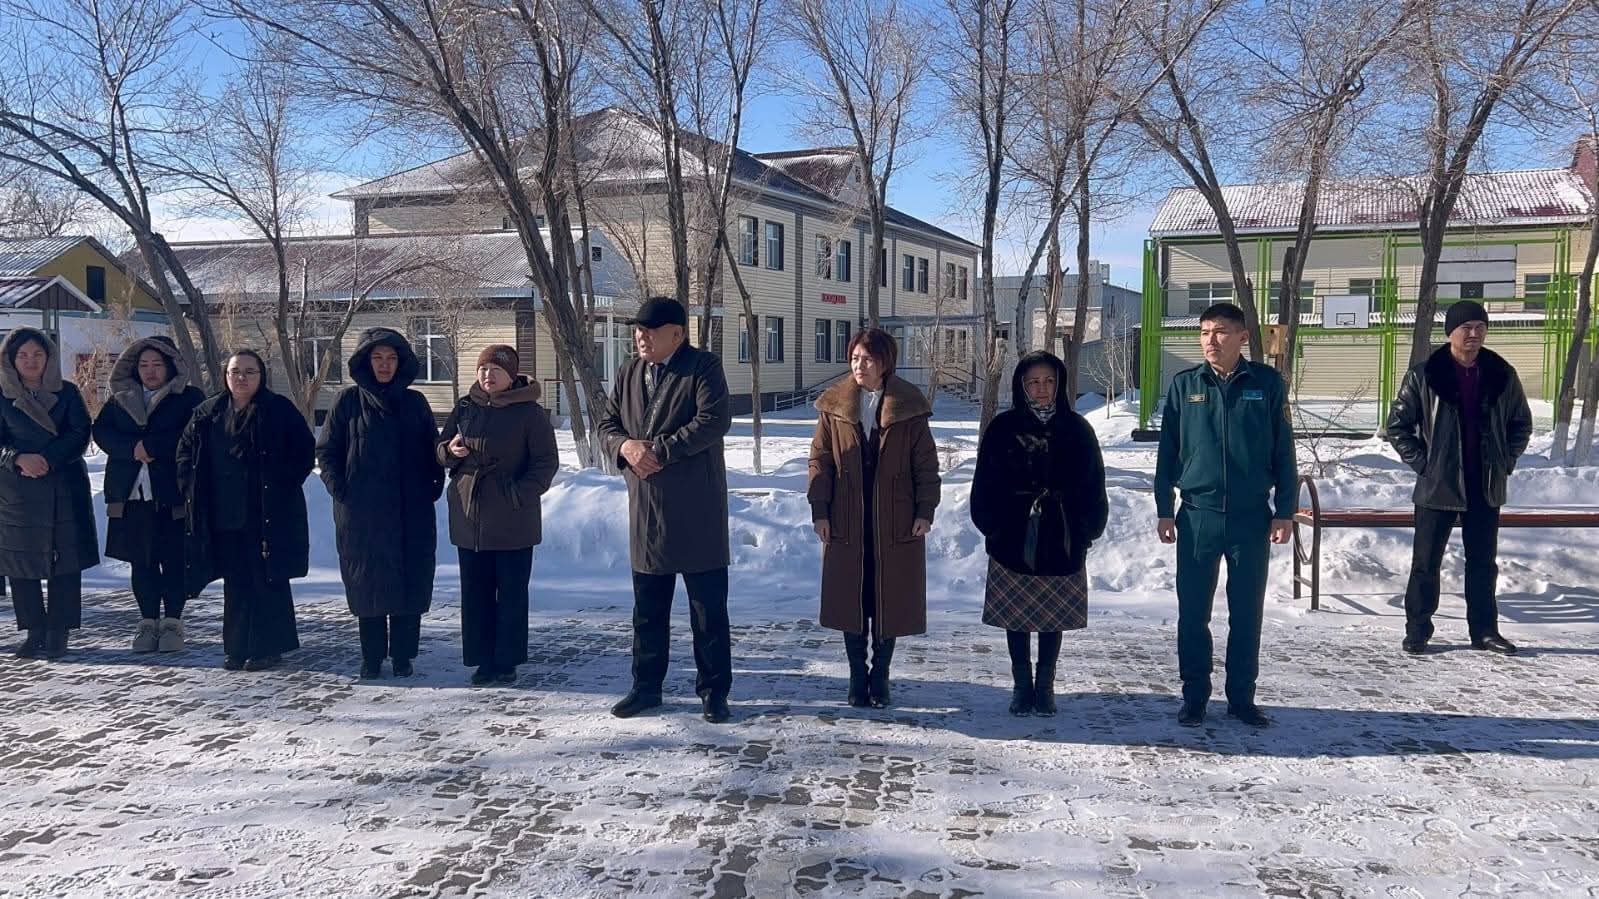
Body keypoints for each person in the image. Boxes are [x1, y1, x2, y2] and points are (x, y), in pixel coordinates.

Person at [1153, 303, 1296, 728]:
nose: (1210, 341)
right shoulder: (1185, 385)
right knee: (1193, 613)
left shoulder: (1266, 384)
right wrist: (1164, 509)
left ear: (1242, 338)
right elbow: (1167, 451)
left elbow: (1283, 451)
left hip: (1251, 518)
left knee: (1246, 614)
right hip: (1198, 515)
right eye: (1204, 333)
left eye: (1219, 332)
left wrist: (1285, 511)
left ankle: (1241, 698)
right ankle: (1194, 696)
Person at [599, 296, 735, 723]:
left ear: (677, 333)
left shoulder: (702, 367)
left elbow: (714, 421)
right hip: (646, 508)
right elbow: (607, 424)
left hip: (696, 509)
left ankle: (714, 691)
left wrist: (659, 450)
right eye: (638, 330)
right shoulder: (629, 372)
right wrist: (625, 446)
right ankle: (645, 687)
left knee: (707, 612)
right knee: (648, 611)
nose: (641, 337)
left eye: (650, 331)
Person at [1386, 300, 1532, 656]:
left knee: (1483, 564)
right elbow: (1398, 426)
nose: (1474, 333)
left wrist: (1505, 461)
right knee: (1426, 563)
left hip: (1485, 484)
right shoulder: (1425, 375)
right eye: (1466, 327)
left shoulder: (1501, 373)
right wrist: (1425, 464)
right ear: (1450, 332)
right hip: (1438, 484)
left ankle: (1484, 632)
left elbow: (1521, 424)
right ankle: (1417, 631)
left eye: (1480, 327)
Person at [971, 351, 1108, 717]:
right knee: (1016, 616)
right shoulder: (1003, 428)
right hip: (1013, 535)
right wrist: (993, 526)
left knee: (1052, 616)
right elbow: (984, 483)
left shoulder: (1077, 429)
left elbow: (1094, 483)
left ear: (1059, 383)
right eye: (1033, 382)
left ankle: (1045, 686)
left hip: (1061, 535)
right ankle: (1021, 685)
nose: (1041, 388)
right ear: (1021, 385)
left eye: (1048, 381)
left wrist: (1085, 530)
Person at [807, 328, 939, 708]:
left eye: (867, 359)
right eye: (854, 358)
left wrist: (925, 510)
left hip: (894, 519)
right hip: (847, 518)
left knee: (887, 599)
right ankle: (856, 676)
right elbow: (820, 462)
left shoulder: (909, 406)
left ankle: (879, 676)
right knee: (852, 599)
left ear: (885, 363)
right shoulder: (834, 406)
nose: (859, 365)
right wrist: (820, 511)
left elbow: (926, 465)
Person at [318, 328, 446, 680]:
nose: (385, 365)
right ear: (365, 362)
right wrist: (341, 491)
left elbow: (432, 448)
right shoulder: (347, 402)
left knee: (410, 579)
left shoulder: (415, 402)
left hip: (411, 510)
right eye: (377, 358)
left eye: (391, 358)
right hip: (362, 513)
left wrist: (433, 486)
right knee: (368, 583)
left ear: (401, 362)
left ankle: (404, 656)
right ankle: (371, 657)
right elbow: (327, 452)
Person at [176, 350, 314, 672]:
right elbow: (185, 453)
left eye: (250, 372)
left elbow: (304, 451)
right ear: (225, 375)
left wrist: (282, 483)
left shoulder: (278, 409)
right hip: (223, 512)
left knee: (266, 580)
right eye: (236, 371)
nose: (242, 378)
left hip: (267, 512)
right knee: (236, 582)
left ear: (261, 376)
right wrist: (191, 488)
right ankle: (237, 647)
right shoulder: (208, 412)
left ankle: (268, 647)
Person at [436, 344, 558, 686]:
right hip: (469, 516)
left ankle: (507, 661)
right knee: (475, 593)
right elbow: (440, 450)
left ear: (511, 376)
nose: (488, 376)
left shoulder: (530, 413)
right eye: (483, 369)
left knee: (511, 594)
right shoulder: (465, 407)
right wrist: (450, 451)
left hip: (513, 518)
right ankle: (482, 659)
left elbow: (546, 462)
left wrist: (518, 494)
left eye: (496, 370)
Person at [93, 336, 205, 653]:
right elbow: (101, 432)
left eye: (157, 364)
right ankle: (147, 621)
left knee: (174, 560)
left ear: (170, 366)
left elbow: (195, 433)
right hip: (132, 493)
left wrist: (153, 446)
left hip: (173, 493)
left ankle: (172, 621)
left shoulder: (188, 398)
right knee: (141, 561)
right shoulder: (121, 399)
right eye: (144, 364)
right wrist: (132, 449)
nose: (150, 370)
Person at [0, 328, 98, 660]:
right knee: (21, 562)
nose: (31, 361)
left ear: (49, 358)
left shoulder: (67, 392)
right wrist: (17, 459)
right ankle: (33, 630)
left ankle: (59, 630)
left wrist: (49, 459)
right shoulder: (2, 394)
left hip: (63, 484)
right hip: (17, 489)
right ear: (11, 359)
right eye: (23, 355)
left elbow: (80, 432)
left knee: (65, 560)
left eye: (37, 355)